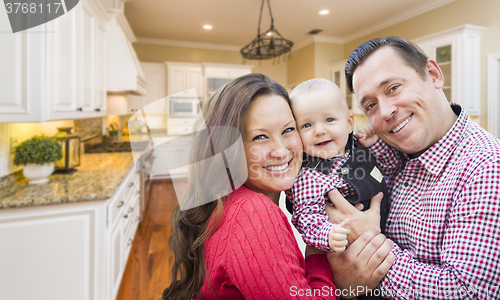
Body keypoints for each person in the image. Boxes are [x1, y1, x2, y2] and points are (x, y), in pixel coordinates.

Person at [162, 73, 395, 300]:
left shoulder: (231, 199)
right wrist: (335, 276)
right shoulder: (253, 213)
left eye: (287, 130)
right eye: (260, 137)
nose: (281, 151)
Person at [326, 37, 500, 299]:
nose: (384, 112)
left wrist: (367, 249)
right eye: (370, 105)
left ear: (433, 74)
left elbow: (470, 292)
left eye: (393, 88)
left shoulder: (486, 167)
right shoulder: (387, 154)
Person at [284, 79, 390, 253]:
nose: (319, 131)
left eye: (329, 119)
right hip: (350, 249)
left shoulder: (357, 146)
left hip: (389, 234)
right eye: (307, 125)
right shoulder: (308, 176)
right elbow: (306, 218)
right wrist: (328, 234)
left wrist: (375, 144)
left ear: (349, 124)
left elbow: (389, 169)